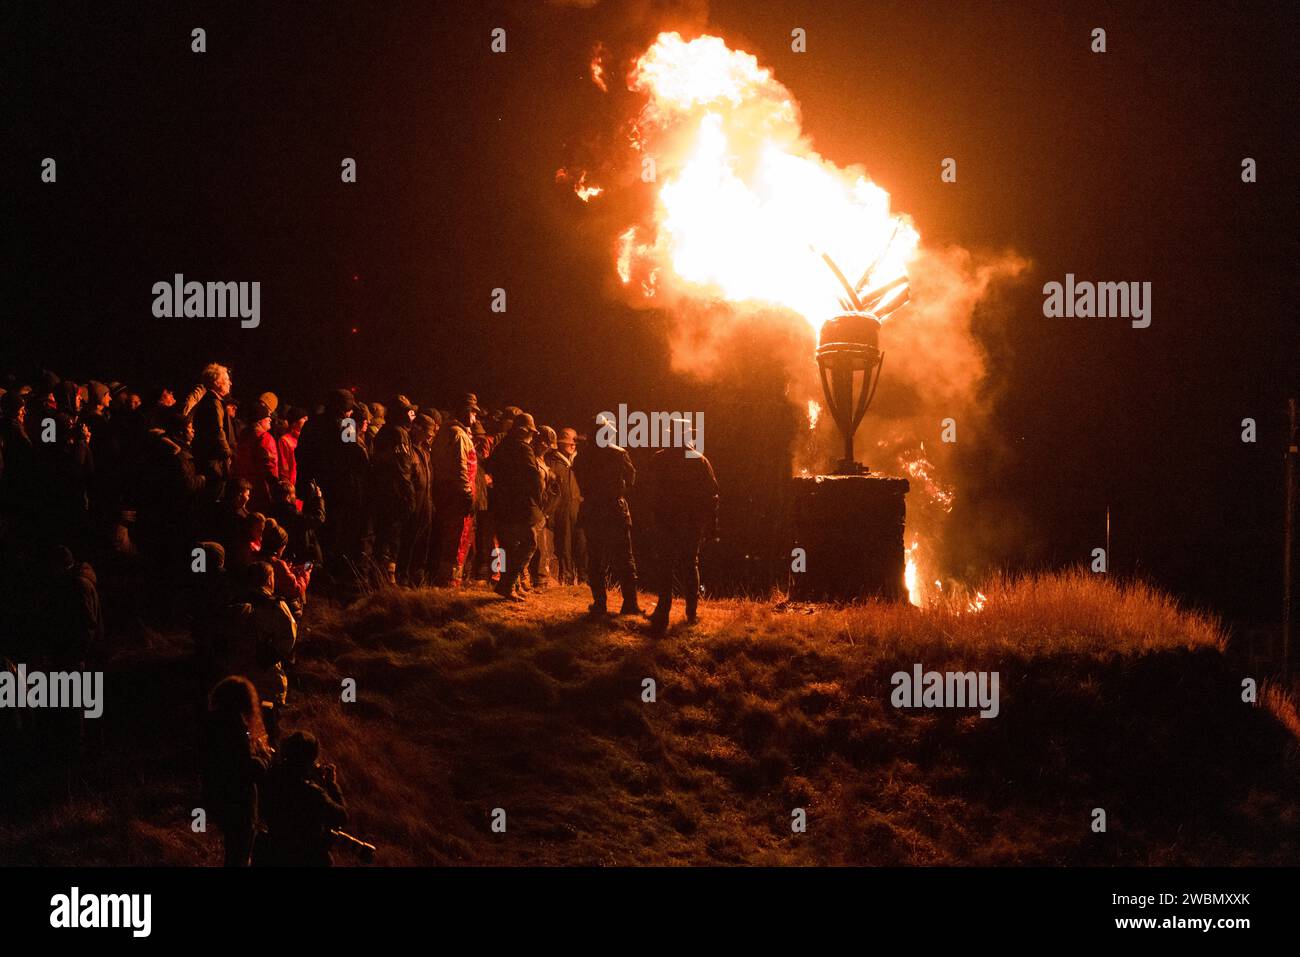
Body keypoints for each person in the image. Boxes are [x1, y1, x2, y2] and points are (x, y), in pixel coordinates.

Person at [645, 429, 719, 635]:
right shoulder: (700, 461)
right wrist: (711, 525)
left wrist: (653, 516)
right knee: (690, 564)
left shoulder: (659, 458)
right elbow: (712, 496)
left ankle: (663, 612)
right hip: (690, 524)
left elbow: (649, 489)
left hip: (666, 522)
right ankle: (691, 613)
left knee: (665, 566)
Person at [572, 414, 641, 615]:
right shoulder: (619, 454)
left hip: (592, 510)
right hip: (614, 509)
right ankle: (630, 604)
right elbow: (632, 479)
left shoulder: (581, 457)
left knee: (595, 560)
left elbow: (581, 481)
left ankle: (600, 604)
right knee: (625, 559)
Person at [202, 676, 272, 867]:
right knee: (239, 856)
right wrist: (264, 759)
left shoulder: (212, 723)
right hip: (238, 801)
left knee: (234, 854)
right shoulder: (233, 725)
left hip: (220, 796)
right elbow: (245, 767)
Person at [254, 730, 348, 867]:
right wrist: (332, 785)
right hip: (303, 857)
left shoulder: (270, 779)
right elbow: (341, 816)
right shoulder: (313, 793)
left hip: (273, 852)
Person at [484, 413, 543, 601]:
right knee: (529, 543)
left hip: (502, 504)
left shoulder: (502, 446)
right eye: (531, 433)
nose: (533, 436)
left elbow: (489, 466)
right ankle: (507, 584)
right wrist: (538, 499)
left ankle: (512, 586)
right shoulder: (523, 449)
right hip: (521, 506)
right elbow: (534, 478)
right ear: (523, 431)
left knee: (509, 546)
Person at [225, 562, 298, 707]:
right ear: (269, 579)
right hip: (267, 678)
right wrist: (270, 657)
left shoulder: (234, 603)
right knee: (267, 717)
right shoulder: (275, 606)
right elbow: (289, 636)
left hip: (235, 673)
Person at [430, 395, 480, 586]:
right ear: (466, 414)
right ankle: (451, 580)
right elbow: (461, 467)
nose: (475, 420)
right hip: (457, 493)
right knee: (457, 536)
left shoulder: (445, 431)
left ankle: (445, 577)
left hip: (445, 490)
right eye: (474, 414)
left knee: (447, 535)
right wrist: (466, 493)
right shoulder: (459, 435)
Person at [529, 426, 562, 589]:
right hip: (533, 509)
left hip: (542, 510)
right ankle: (537, 579)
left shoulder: (542, 461)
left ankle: (541, 578)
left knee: (543, 546)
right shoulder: (531, 459)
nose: (549, 448)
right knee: (534, 546)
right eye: (547, 444)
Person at [233, 400, 280, 514]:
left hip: (245, 489)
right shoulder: (265, 438)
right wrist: (276, 488)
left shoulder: (242, 437)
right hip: (262, 490)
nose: (270, 419)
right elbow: (270, 466)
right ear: (259, 420)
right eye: (266, 417)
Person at [191, 363, 234, 485]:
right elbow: (218, 431)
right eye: (226, 379)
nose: (230, 383)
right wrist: (228, 453)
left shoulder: (210, 401)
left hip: (211, 460)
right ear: (216, 383)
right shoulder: (214, 403)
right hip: (215, 462)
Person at [551, 427, 583, 585]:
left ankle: (585, 580)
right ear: (560, 444)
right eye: (569, 442)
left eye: (574, 442)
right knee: (564, 546)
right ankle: (567, 579)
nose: (572, 445)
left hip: (580, 508)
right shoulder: (553, 463)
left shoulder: (580, 462)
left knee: (582, 544)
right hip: (561, 510)